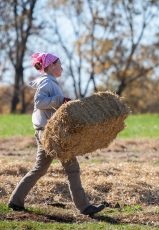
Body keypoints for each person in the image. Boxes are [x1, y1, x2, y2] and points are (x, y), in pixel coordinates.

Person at [7, 52, 105, 215]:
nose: (62, 68)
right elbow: (39, 102)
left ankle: (15, 201)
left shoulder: (50, 82)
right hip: (51, 133)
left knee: (39, 169)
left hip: (44, 132)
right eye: (59, 65)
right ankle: (84, 207)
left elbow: (49, 104)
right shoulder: (47, 81)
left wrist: (62, 103)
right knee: (72, 168)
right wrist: (59, 101)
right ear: (51, 66)